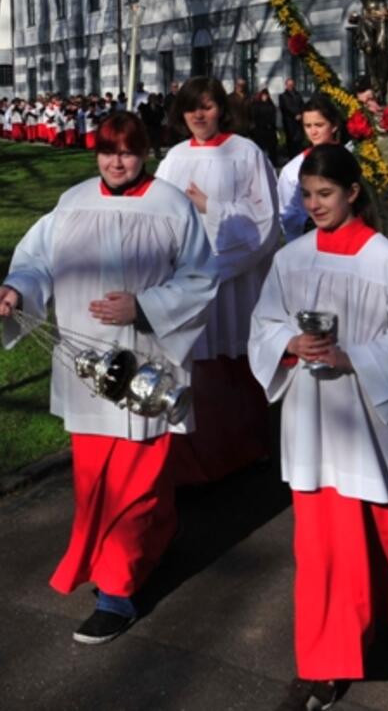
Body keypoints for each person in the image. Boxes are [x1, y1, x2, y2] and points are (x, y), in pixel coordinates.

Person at [0, 112, 216, 645]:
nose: (117, 162)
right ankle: (156, 539)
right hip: (85, 368)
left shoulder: (171, 206)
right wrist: (16, 291)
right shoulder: (73, 203)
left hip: (147, 364)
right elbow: (37, 262)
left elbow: (202, 277)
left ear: (147, 155)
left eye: (129, 152)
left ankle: (116, 593)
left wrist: (145, 305)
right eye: (108, 150)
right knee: (97, 483)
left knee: (137, 481)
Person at [249, 145, 388, 710]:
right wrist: (288, 343)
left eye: (324, 194)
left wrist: (355, 359)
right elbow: (264, 322)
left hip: (370, 415)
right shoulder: (292, 257)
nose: (314, 206)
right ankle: (329, 660)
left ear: (353, 192)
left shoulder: (385, 260)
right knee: (325, 544)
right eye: (306, 195)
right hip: (311, 418)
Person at [155, 77, 279, 483]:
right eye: (191, 108)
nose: (198, 115)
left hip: (234, 280)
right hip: (186, 278)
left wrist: (212, 207)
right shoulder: (173, 159)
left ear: (221, 109)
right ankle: (198, 463)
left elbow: (265, 220)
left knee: (234, 361)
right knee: (194, 365)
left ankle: (245, 450)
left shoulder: (245, 153)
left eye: (207, 106)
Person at [277, 94, 347, 240]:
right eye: (308, 126)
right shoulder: (293, 169)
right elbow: (287, 213)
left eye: (319, 125)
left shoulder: (352, 158)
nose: (313, 132)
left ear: (334, 125)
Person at [279, 78, 305, 154]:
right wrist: (295, 115)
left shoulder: (297, 94)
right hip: (289, 121)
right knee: (291, 141)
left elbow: (302, 105)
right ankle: (291, 156)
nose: (291, 86)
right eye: (289, 85)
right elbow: (285, 108)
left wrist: (301, 114)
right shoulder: (283, 96)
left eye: (292, 85)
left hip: (299, 121)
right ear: (286, 85)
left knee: (299, 140)